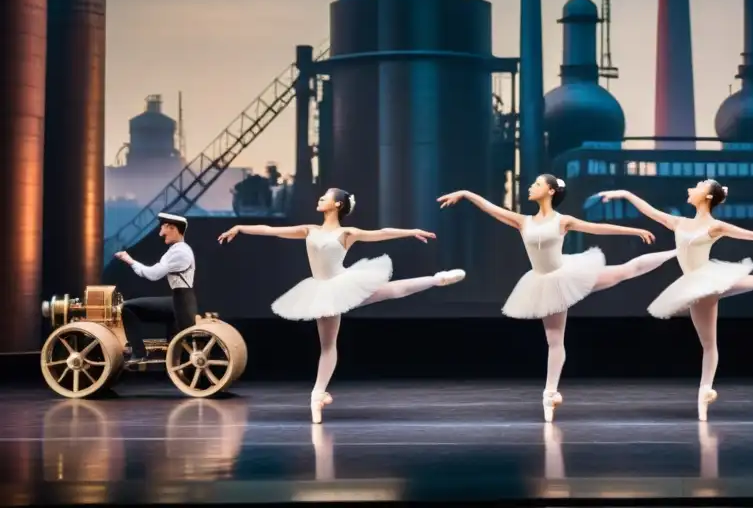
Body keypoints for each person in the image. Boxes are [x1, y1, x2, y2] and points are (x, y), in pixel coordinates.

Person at [437, 174, 675, 422]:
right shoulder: (522, 221)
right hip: (544, 282)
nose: (531, 186)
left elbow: (597, 228)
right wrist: (466, 193)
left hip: (567, 275)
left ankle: (677, 252)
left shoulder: (563, 221)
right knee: (554, 341)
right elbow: (491, 208)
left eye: (537, 184)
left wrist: (633, 230)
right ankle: (550, 394)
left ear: (550, 191)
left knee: (624, 271)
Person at [217, 187, 465, 423]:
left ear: (337, 204)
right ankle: (317, 396)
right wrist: (240, 227)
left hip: (344, 283)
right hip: (323, 290)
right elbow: (269, 229)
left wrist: (410, 231)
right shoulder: (309, 229)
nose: (319, 199)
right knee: (327, 346)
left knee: (392, 290)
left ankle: (437, 279)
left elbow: (382, 232)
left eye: (325, 196)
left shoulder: (347, 233)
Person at [597, 181, 753, 421]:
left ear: (707, 196)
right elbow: (650, 211)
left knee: (742, 302)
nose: (690, 189)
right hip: (702, 282)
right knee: (718, 333)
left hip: (706, 281)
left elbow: (752, 236)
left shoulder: (715, 226)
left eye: (697, 186)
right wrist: (625, 193)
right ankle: (705, 391)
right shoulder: (680, 222)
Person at [114, 212, 198, 363]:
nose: (161, 234)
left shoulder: (179, 252)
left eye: (164, 229)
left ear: (172, 228)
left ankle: (138, 352)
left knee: (127, 307)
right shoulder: (176, 250)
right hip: (180, 299)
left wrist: (129, 260)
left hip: (181, 303)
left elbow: (153, 275)